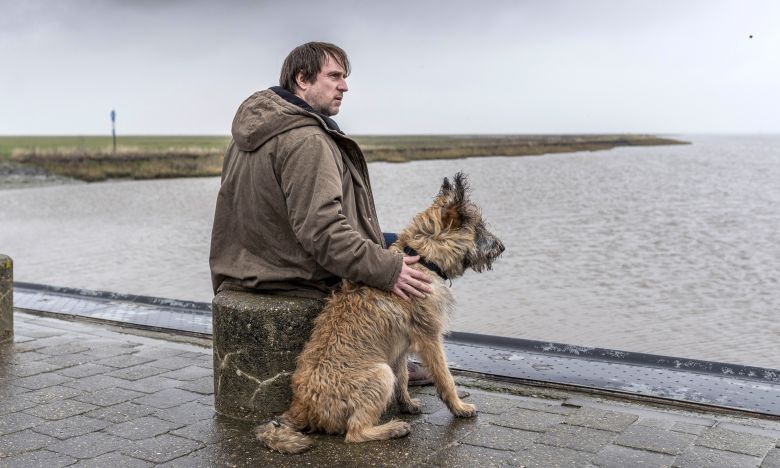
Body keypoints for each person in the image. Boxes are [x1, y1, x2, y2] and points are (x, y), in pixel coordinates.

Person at [209, 42, 433, 383]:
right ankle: (390, 362)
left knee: (403, 243)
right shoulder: (307, 140)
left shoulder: (252, 131)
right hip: (291, 274)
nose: (344, 86)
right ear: (302, 79)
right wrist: (389, 270)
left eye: (345, 77)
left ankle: (395, 355)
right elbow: (323, 233)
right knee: (417, 256)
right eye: (334, 76)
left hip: (251, 262)